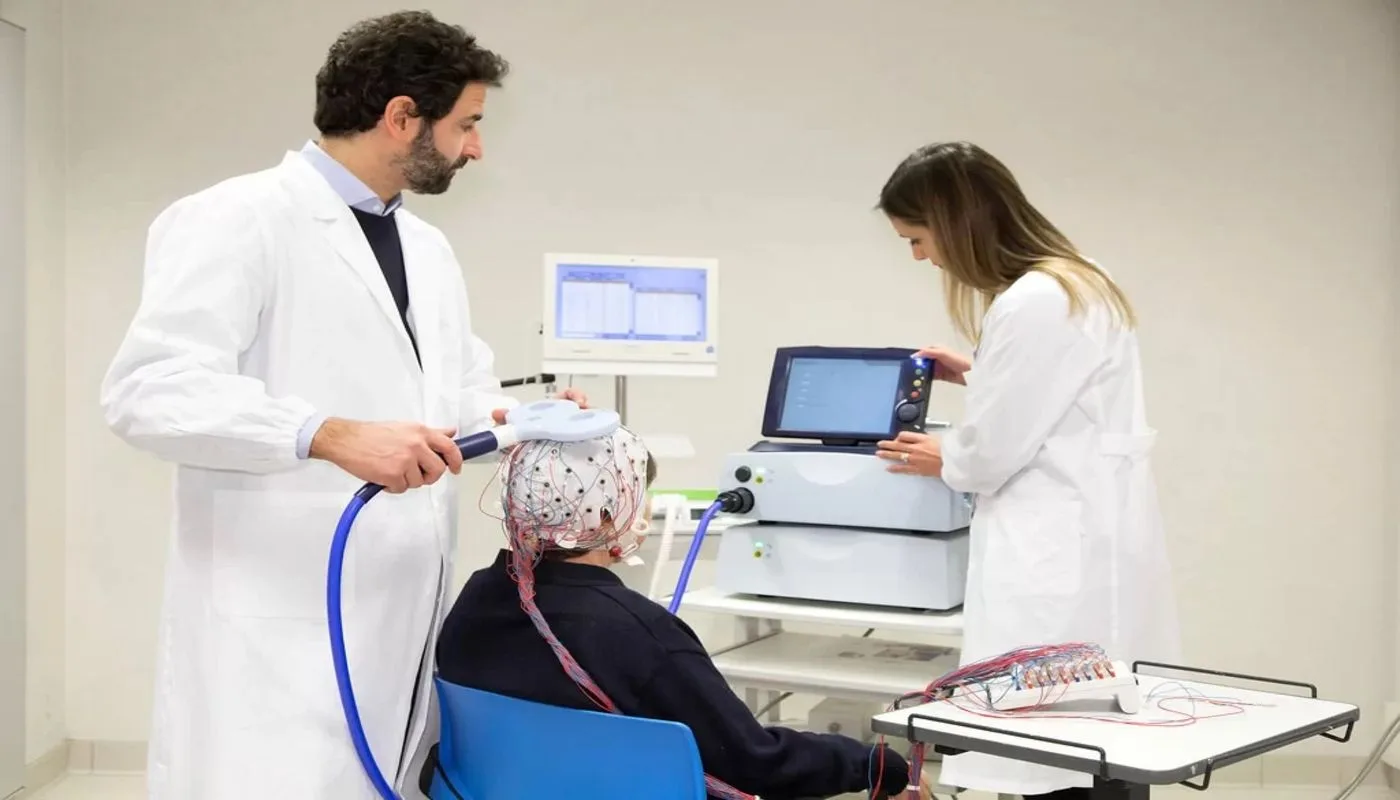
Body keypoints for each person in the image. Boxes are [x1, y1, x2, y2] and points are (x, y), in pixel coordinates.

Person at [99, 12, 588, 799]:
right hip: (276, 624)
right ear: (402, 117)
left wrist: (522, 420)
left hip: (399, 612)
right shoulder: (238, 217)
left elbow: (453, 397)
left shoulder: (427, 249)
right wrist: (323, 435)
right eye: (467, 124)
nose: (476, 148)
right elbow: (148, 389)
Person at [872, 142, 1181, 800]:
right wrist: (982, 371)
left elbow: (990, 454)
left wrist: (941, 456)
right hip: (1089, 538)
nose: (920, 256)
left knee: (1059, 747)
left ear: (955, 221)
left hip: (1055, 554)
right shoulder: (1077, 281)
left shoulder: (1033, 301)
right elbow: (1062, 399)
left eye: (918, 238)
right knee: (1099, 748)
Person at [434, 429, 917, 800]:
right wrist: (876, 765)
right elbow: (758, 764)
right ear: (609, 513)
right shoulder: (638, 632)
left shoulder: (478, 598)